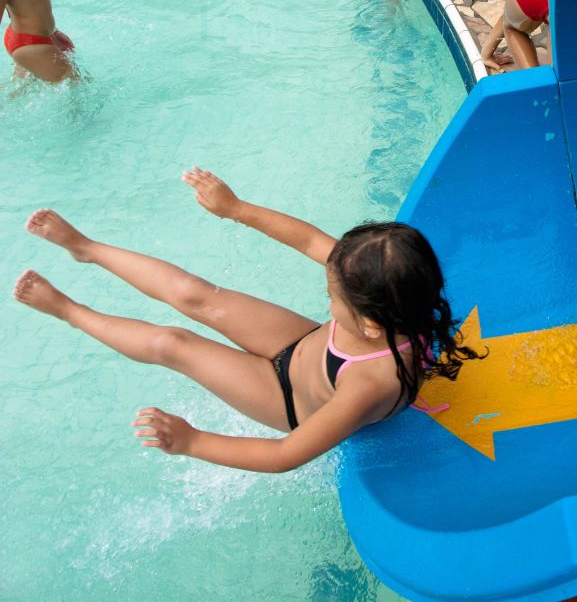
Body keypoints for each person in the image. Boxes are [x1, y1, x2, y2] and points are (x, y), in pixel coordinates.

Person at [14, 172, 482, 473]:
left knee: (172, 343)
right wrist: (236, 209)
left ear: (371, 323)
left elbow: (285, 455)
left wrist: (193, 441)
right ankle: (87, 249)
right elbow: (306, 239)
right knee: (194, 294)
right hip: (300, 345)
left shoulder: (371, 381)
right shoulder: (383, 286)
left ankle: (70, 311)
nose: (327, 287)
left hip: (287, 399)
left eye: (332, 295)